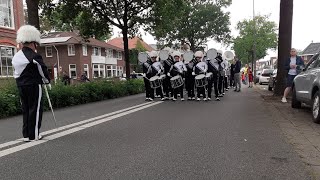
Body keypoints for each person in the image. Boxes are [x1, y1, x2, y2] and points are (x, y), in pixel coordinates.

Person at [12, 25, 51, 142]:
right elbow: (42, 69)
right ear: (33, 43)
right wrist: (47, 80)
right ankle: (34, 135)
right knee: (36, 108)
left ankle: (26, 135)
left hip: (21, 85)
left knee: (26, 109)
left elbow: (16, 73)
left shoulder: (16, 56)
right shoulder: (34, 56)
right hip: (34, 84)